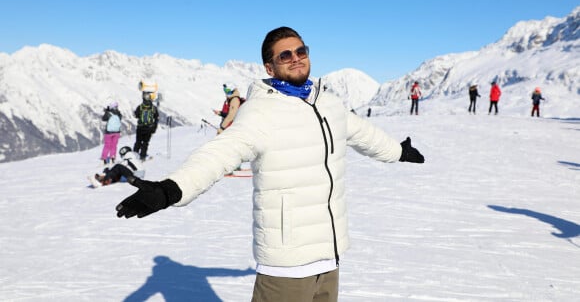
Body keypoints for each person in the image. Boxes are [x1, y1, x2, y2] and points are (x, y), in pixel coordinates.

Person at [115, 26, 425, 302]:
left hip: (330, 258)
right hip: (286, 264)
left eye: (301, 51)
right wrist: (171, 189)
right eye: (285, 55)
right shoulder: (262, 113)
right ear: (270, 66)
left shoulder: (327, 102)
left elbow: (362, 133)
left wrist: (397, 151)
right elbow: (220, 153)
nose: (296, 58)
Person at [133, 92, 159, 161]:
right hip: (149, 128)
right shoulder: (153, 108)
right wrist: (154, 128)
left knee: (138, 141)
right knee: (145, 142)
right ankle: (142, 156)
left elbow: (136, 115)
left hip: (140, 127)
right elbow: (156, 118)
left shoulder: (140, 106)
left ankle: (134, 156)